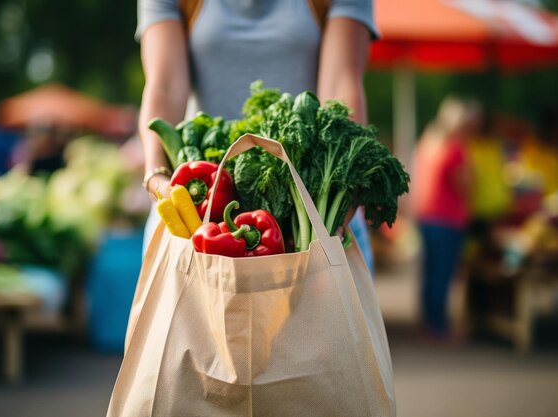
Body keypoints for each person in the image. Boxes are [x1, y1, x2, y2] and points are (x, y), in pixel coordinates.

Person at [137, 0, 378, 270]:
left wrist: (339, 200)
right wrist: (156, 176)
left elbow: (341, 87)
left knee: (327, 309)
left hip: (311, 204)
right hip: (198, 207)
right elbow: (164, 87)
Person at [411, 96, 477, 342]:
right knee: (443, 274)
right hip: (448, 219)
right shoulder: (456, 147)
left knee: (428, 272)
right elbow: (464, 185)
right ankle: (439, 326)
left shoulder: (428, 142)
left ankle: (428, 322)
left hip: (426, 216)